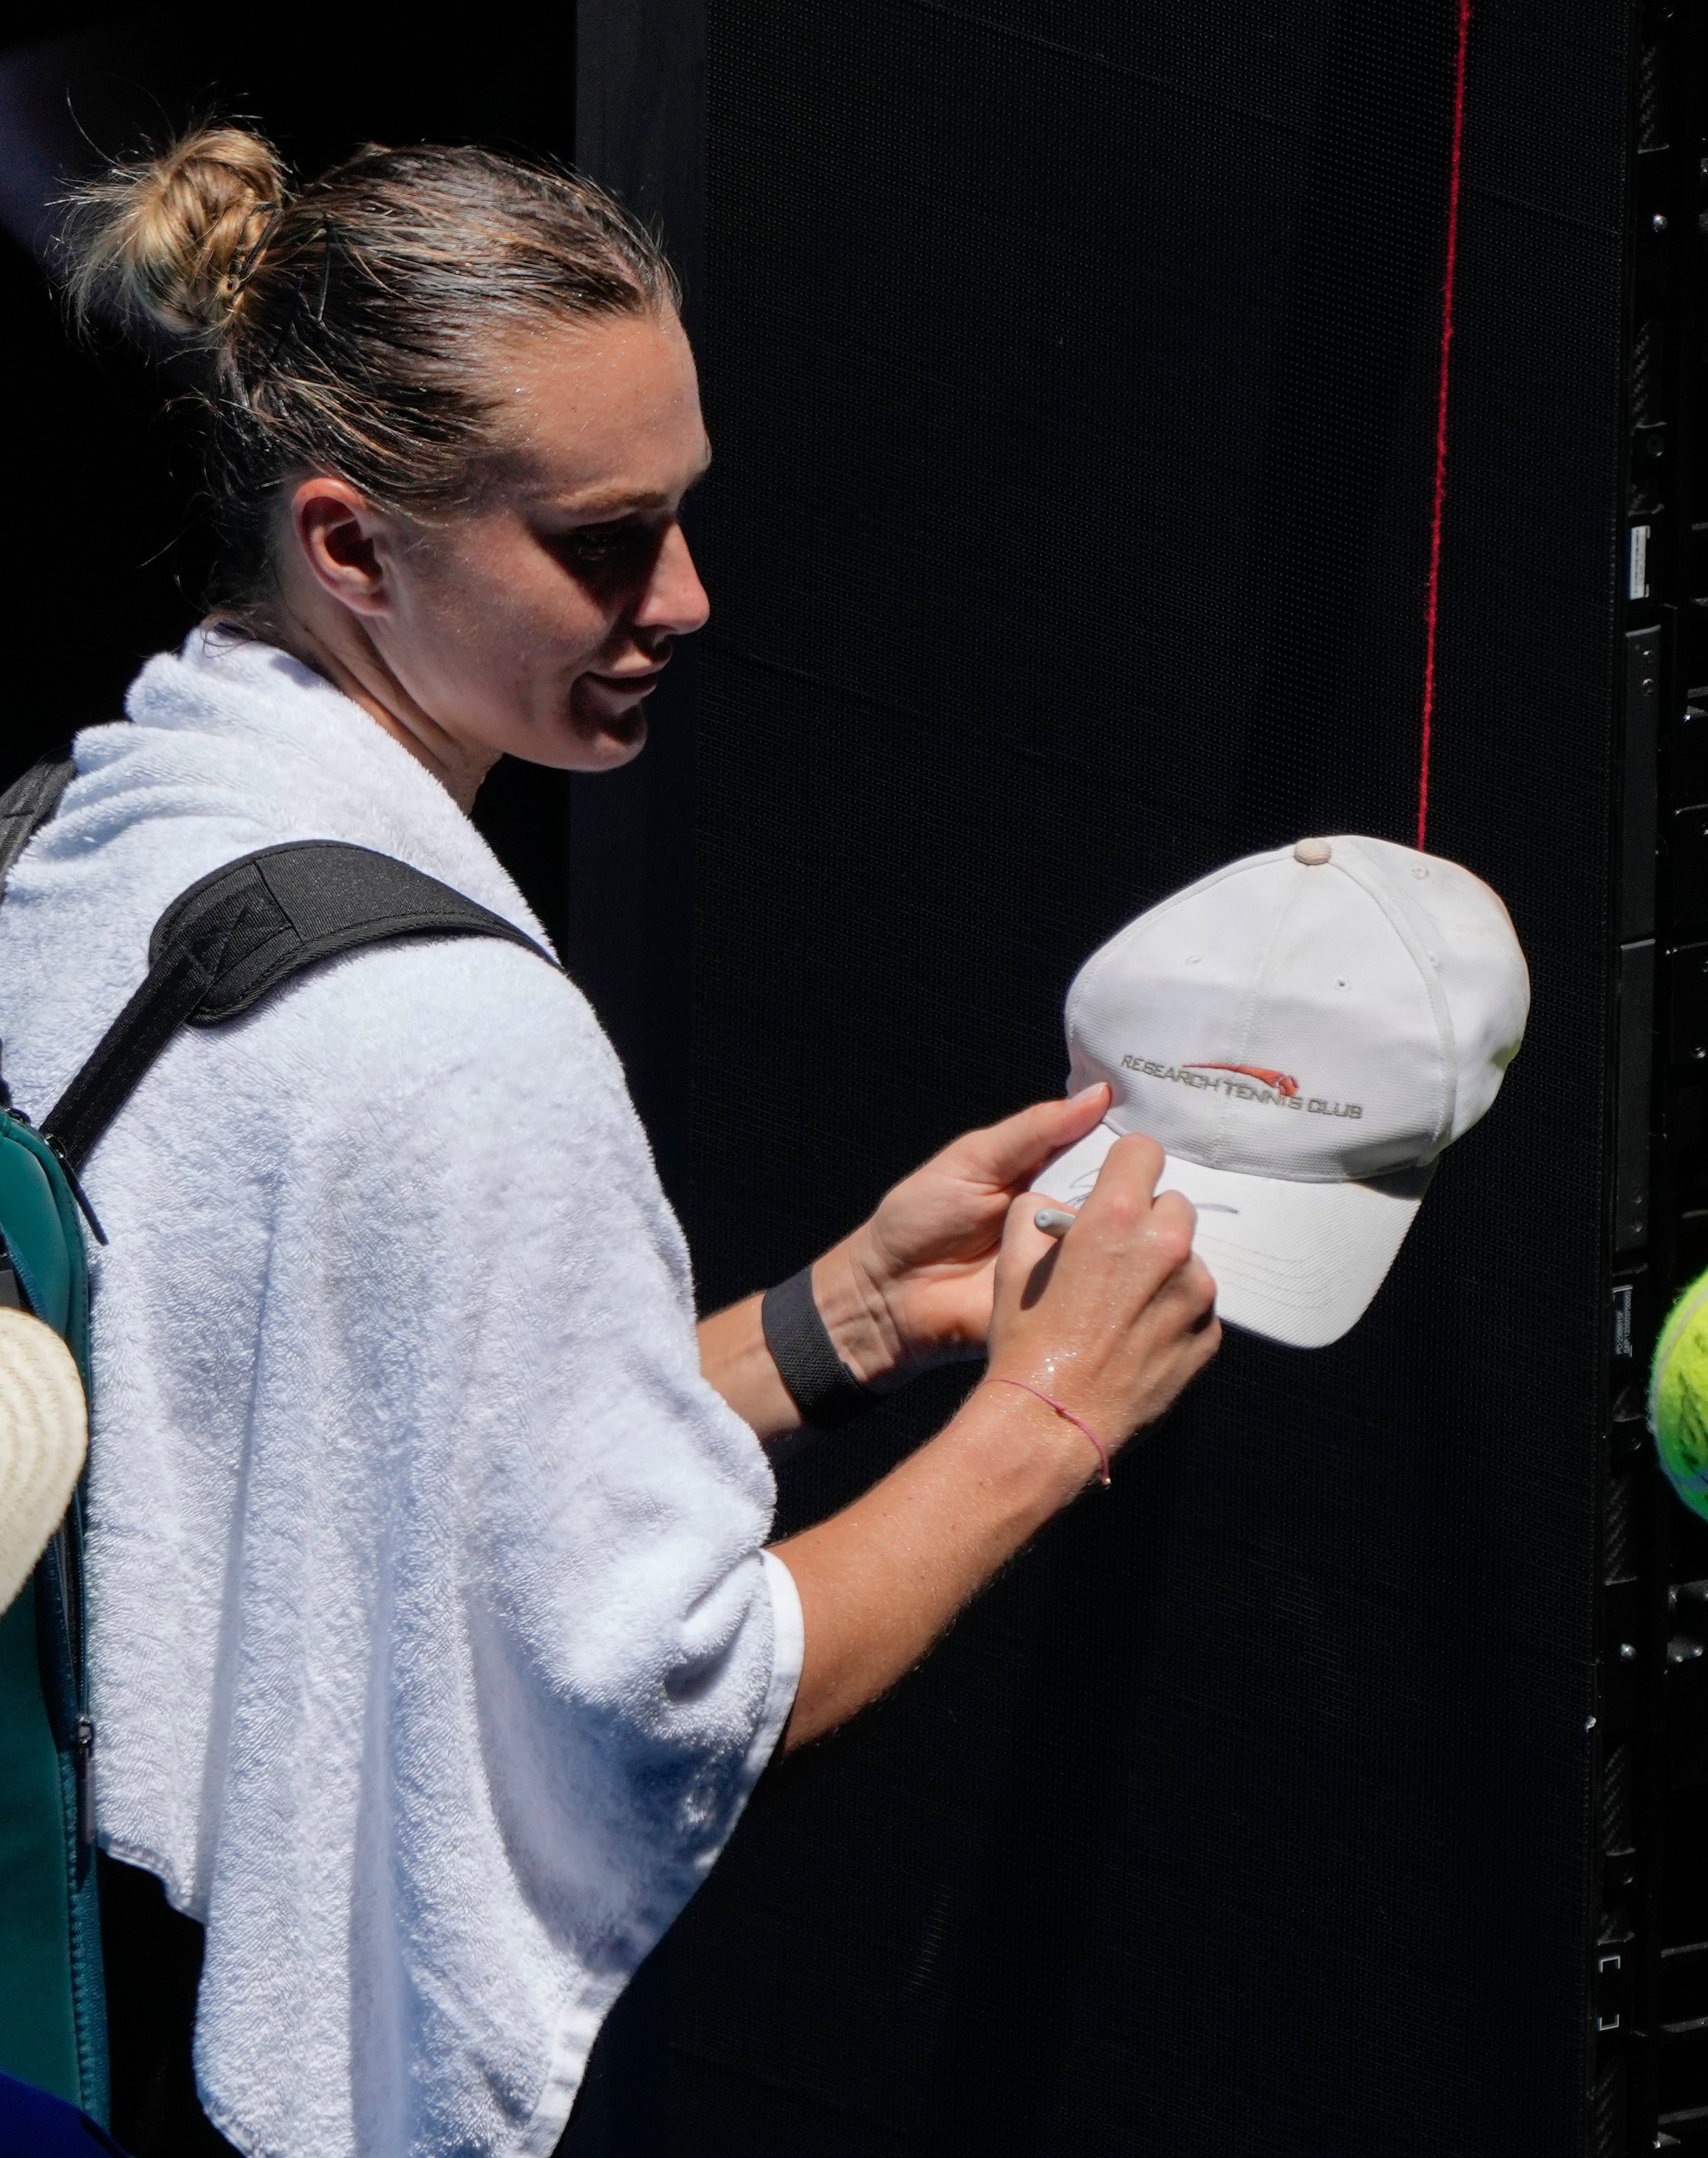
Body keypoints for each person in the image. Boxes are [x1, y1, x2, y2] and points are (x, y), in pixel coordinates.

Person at [4, 124, 1223, 2157]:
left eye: (685, 518)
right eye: (602, 539)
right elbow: (652, 1698)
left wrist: (826, 1324)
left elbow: (353, 1482)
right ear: (351, 545)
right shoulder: (457, 1036)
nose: (685, 596)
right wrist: (1050, 1417)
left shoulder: (73, 840)